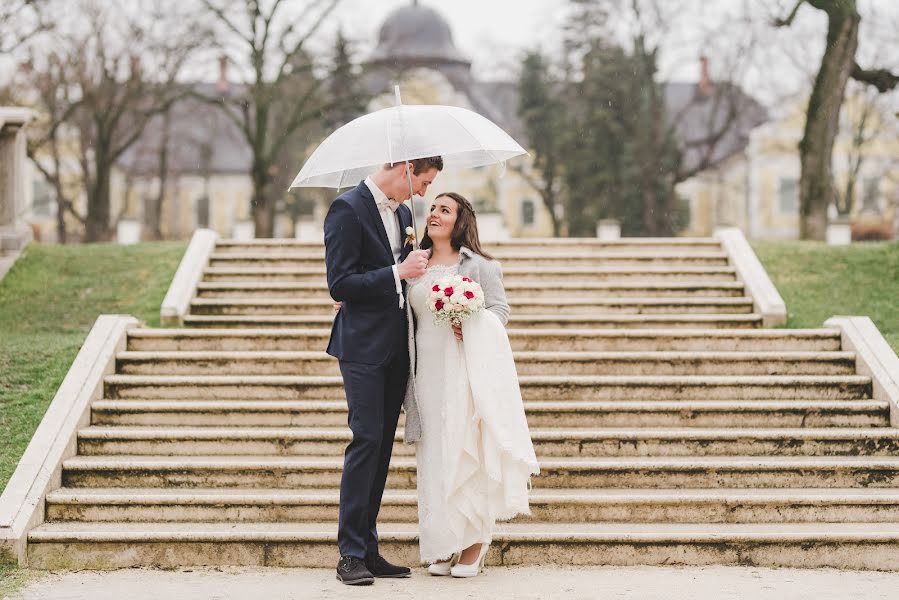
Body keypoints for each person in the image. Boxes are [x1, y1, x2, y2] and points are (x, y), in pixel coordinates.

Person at [403, 192, 540, 578]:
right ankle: (444, 543)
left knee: (465, 450)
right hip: (424, 375)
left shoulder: (479, 266)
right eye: (432, 208)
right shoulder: (413, 262)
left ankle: (474, 544)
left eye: (444, 210)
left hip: (463, 371)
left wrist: (473, 323)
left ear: (460, 220)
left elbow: (500, 310)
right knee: (434, 456)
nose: (434, 214)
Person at [324, 156, 443, 586]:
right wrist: (396, 271)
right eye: (423, 181)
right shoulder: (347, 208)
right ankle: (349, 554)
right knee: (366, 441)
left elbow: (404, 277)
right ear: (405, 168)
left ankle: (369, 549)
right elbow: (340, 283)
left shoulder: (406, 213)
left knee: (382, 450)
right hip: (362, 347)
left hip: (399, 346)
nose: (423, 193)